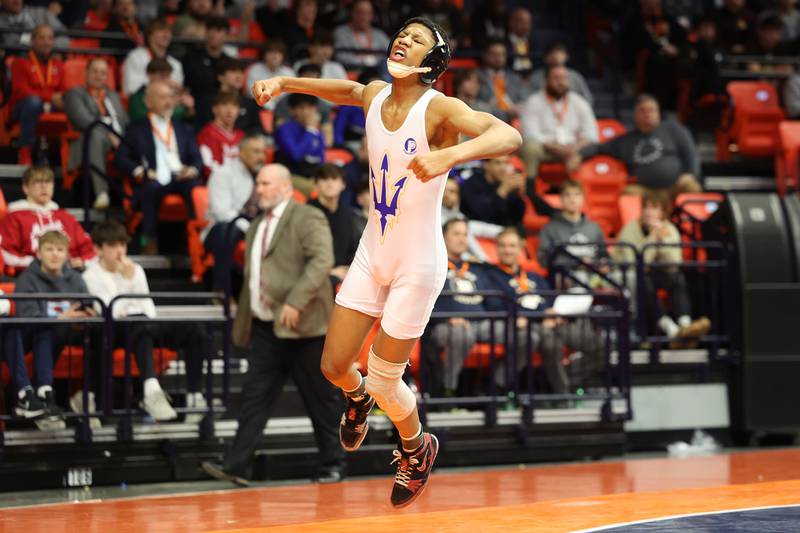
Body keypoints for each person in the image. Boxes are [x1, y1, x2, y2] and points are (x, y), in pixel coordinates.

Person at [252, 16, 522, 507]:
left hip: (418, 262)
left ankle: (417, 448)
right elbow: (345, 89)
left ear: (432, 61)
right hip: (372, 251)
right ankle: (357, 401)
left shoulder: (439, 107)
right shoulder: (376, 93)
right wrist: (286, 82)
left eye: (417, 39)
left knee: (383, 377)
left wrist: (449, 156)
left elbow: (507, 136)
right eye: (402, 33)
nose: (404, 39)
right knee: (335, 368)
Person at [201, 163, 345, 486]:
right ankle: (237, 465)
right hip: (267, 327)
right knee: (254, 398)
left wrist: (295, 300)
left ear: (283, 186)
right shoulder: (255, 226)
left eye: (265, 183)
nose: (259, 189)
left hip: (305, 326)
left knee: (320, 398)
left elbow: (322, 261)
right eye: (258, 183)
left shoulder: (307, 217)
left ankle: (333, 463)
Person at [82, 220, 208, 421]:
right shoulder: (91, 276)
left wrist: (131, 281)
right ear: (98, 249)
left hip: (142, 326)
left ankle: (194, 396)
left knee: (194, 329)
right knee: (140, 324)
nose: (120, 251)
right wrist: (126, 281)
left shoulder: (136, 269)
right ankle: (151, 391)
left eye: (122, 245)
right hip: (112, 332)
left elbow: (147, 306)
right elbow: (110, 312)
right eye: (113, 246)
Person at [487, 227, 603, 391]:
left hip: (554, 323)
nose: (507, 250)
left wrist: (558, 316)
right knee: (550, 343)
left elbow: (552, 301)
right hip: (528, 326)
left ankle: (567, 379)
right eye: (503, 246)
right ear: (496, 248)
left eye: (512, 246)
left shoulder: (534, 277)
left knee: (600, 344)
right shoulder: (490, 276)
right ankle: (562, 392)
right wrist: (541, 316)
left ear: (521, 248)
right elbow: (495, 305)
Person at [4, 230, 96, 430]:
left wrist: (88, 314)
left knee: (100, 335)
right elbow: (27, 318)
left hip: (74, 334)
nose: (55, 254)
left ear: (66, 254)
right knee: (44, 329)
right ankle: (43, 394)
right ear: (39, 253)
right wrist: (60, 318)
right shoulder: (27, 280)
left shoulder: (75, 279)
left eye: (60, 250)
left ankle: (88, 401)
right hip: (34, 337)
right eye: (49, 249)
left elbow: (88, 306)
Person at [115, 80, 204, 254]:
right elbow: (122, 158)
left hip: (180, 175)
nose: (168, 102)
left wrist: (191, 170)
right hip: (153, 176)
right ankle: (149, 240)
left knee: (195, 188)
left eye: (170, 97)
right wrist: (141, 171)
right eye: (162, 97)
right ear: (148, 102)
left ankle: (196, 238)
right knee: (150, 188)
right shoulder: (136, 128)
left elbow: (196, 158)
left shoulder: (184, 128)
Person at [612, 189, 711, 342]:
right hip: (629, 277)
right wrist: (652, 239)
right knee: (644, 282)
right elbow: (634, 264)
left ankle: (685, 325)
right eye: (647, 207)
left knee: (677, 278)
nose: (649, 212)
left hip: (656, 273)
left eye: (655, 208)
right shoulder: (630, 230)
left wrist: (662, 241)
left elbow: (675, 262)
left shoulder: (668, 229)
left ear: (663, 212)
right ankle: (669, 328)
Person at [580, 94, 701, 199]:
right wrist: (578, 155)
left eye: (651, 110)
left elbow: (691, 153)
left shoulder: (673, 129)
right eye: (642, 111)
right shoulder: (625, 141)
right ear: (635, 114)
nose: (647, 114)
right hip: (644, 190)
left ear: (658, 113)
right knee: (628, 193)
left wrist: (691, 174)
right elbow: (598, 147)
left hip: (675, 186)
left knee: (692, 186)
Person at [203, 133, 267, 290]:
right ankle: (221, 289)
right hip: (221, 228)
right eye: (255, 151)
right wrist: (249, 227)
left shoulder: (265, 175)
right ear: (241, 152)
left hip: (255, 224)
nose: (261, 156)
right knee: (227, 230)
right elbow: (221, 212)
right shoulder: (223, 174)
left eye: (263, 152)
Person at [64, 57, 129, 210]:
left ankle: (138, 199)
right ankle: (101, 193)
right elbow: (84, 121)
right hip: (88, 141)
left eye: (103, 73)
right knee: (96, 135)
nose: (99, 76)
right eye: (95, 72)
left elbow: (125, 122)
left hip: (119, 140)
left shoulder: (113, 96)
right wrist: (110, 134)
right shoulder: (74, 94)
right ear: (86, 73)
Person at [0, 166, 95, 270]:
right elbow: (6, 253)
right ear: (25, 188)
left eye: (48, 182)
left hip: (69, 274)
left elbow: (89, 248)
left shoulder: (65, 217)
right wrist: (42, 263)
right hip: (31, 275)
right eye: (38, 182)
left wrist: (82, 260)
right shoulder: (14, 217)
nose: (44, 187)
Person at [519, 64, 598, 178]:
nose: (561, 82)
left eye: (564, 78)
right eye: (556, 78)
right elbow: (531, 134)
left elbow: (591, 134)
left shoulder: (579, 102)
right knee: (530, 148)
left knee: (594, 148)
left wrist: (575, 149)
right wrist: (554, 147)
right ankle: (529, 186)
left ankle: (577, 190)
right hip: (546, 149)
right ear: (546, 80)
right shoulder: (533, 102)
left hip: (572, 148)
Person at [9, 24, 66, 164]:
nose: (46, 42)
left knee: (71, 102)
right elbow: (22, 91)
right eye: (42, 38)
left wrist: (62, 98)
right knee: (33, 102)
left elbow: (64, 89)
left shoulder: (58, 64)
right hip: (22, 107)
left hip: (51, 105)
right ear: (32, 41)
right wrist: (50, 97)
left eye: (50, 38)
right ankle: (25, 151)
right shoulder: (20, 62)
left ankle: (66, 156)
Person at [537, 179, 607, 271]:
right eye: (567, 195)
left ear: (583, 198)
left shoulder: (594, 228)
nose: (572, 199)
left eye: (577, 194)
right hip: (564, 277)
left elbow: (603, 255)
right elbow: (543, 260)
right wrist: (576, 263)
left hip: (592, 277)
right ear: (561, 199)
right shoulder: (549, 229)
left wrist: (601, 264)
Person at [307, 164, 358, 287]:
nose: (329, 183)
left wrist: (348, 270)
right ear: (315, 185)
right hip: (313, 276)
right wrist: (329, 271)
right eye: (324, 179)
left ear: (343, 184)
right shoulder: (306, 212)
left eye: (334, 179)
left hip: (345, 273)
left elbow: (354, 247)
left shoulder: (348, 213)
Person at [182, 16, 234, 125]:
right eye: (210, 30)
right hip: (197, 109)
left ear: (226, 35)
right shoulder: (192, 57)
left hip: (223, 107)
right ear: (206, 32)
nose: (214, 34)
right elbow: (186, 86)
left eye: (219, 30)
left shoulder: (230, 62)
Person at [274, 93, 326, 192]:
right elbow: (296, 155)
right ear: (292, 111)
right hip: (291, 176)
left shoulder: (316, 131)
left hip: (312, 178)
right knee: (319, 191)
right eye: (301, 107)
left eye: (310, 107)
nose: (306, 112)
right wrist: (310, 130)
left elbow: (320, 159)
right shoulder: (284, 129)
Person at [122, 18, 184, 96]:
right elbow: (131, 88)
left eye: (168, 32)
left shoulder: (175, 64)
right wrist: (160, 83)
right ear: (150, 36)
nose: (166, 34)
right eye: (161, 30)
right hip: (142, 102)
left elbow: (177, 91)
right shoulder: (136, 57)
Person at [459, 155, 526, 227]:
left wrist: (519, 196)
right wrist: (503, 191)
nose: (503, 168)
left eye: (506, 163)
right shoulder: (472, 183)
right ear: (486, 165)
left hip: (503, 231)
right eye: (498, 163)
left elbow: (517, 218)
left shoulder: (506, 183)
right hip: (476, 228)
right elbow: (483, 215)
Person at [526, 42, 594, 109]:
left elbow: (588, 99)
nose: (556, 56)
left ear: (567, 56)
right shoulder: (535, 77)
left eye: (560, 52)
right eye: (552, 53)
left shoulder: (575, 76)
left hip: (571, 114)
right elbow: (527, 99)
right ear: (545, 58)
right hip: (542, 113)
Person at [127, 58, 194, 123]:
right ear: (150, 74)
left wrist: (189, 109)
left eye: (168, 76)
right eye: (162, 76)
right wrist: (172, 105)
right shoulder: (139, 95)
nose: (166, 80)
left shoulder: (174, 95)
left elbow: (184, 120)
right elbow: (138, 117)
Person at [196, 91, 245, 177]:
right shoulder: (207, 134)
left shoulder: (241, 136)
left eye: (234, 106)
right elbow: (208, 167)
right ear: (215, 109)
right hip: (217, 183)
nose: (230, 110)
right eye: (224, 104)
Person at [333, 0, 390, 68]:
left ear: (372, 15)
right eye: (360, 13)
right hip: (349, 73)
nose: (364, 17)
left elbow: (390, 55)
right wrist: (363, 61)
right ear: (352, 13)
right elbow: (339, 56)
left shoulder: (380, 34)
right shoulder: (340, 32)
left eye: (368, 13)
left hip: (376, 73)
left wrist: (375, 61)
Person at [246, 40, 295, 112]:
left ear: (283, 56)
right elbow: (252, 94)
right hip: (258, 108)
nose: (275, 56)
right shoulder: (255, 70)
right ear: (264, 54)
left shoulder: (289, 73)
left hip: (284, 109)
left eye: (279, 53)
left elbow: (290, 96)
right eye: (271, 52)